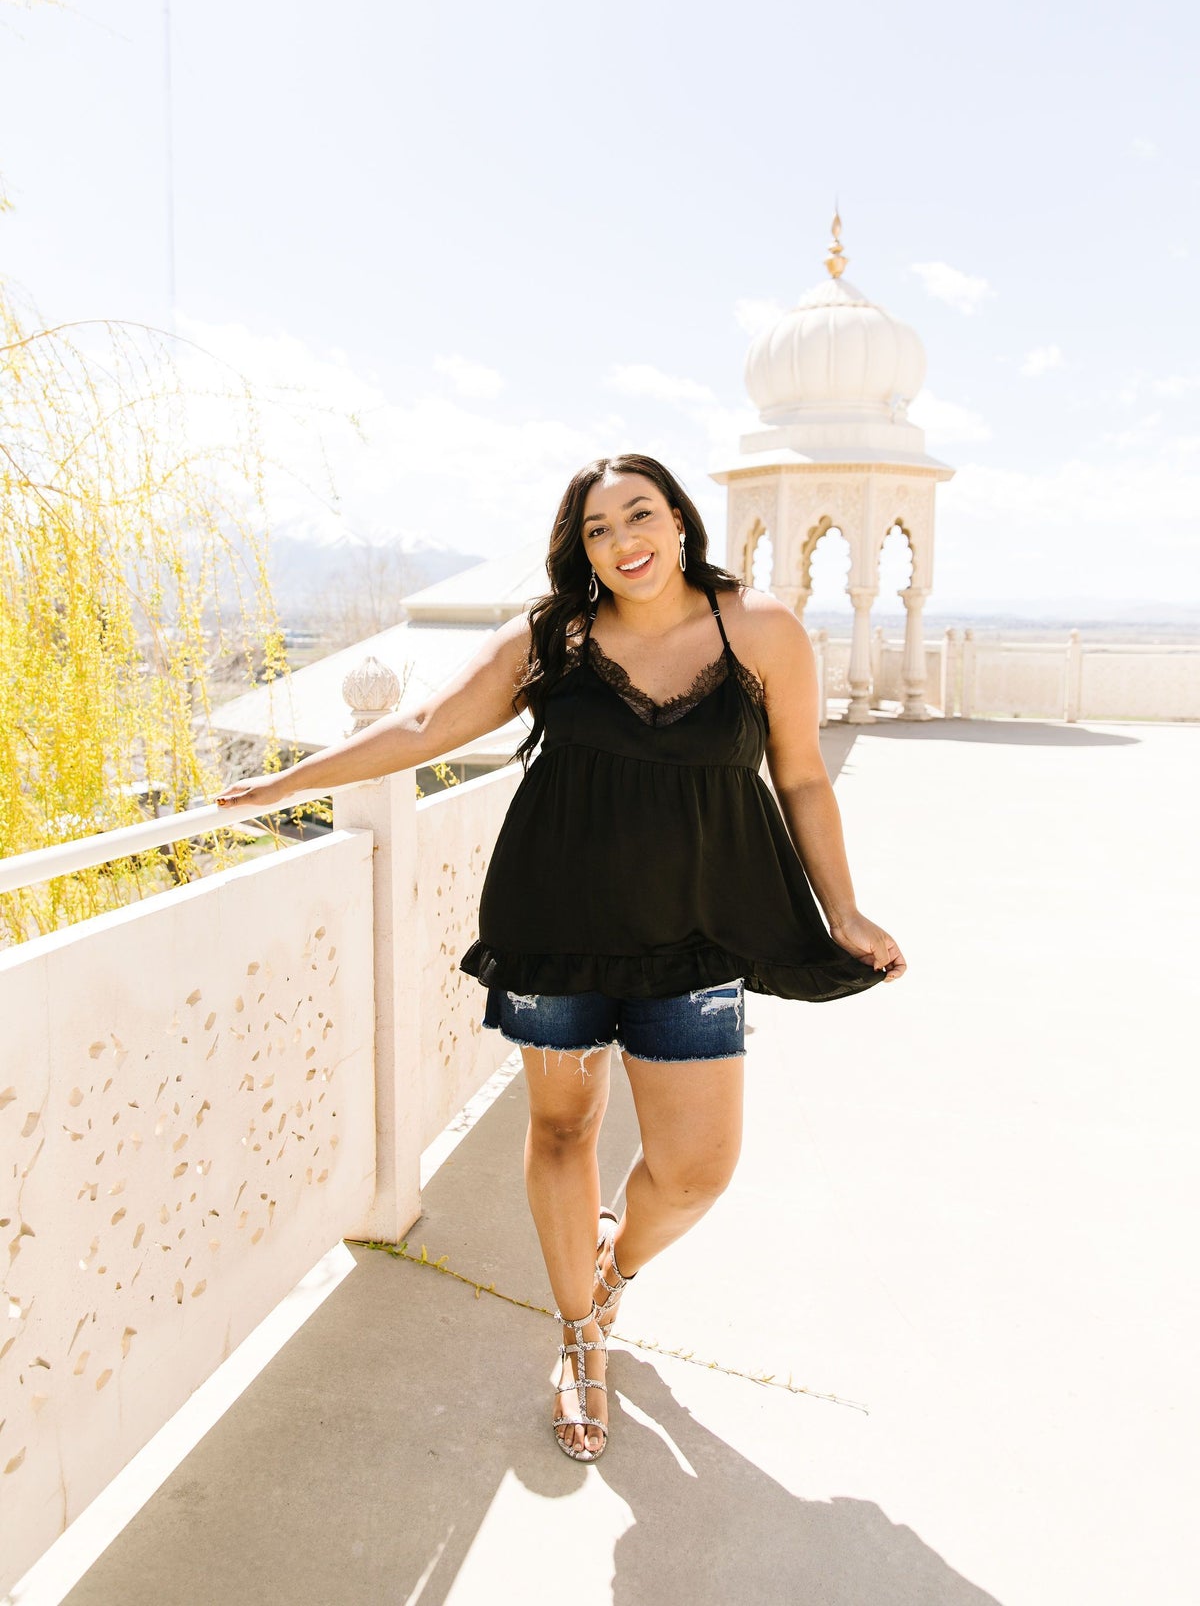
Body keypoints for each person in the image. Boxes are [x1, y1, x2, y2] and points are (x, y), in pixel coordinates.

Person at [216, 453, 905, 1463]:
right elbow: (425, 724)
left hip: (699, 931)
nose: (624, 541)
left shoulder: (759, 630)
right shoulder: (553, 636)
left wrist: (842, 909)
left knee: (697, 1169)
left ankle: (611, 1266)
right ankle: (580, 1334)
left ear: (679, 519)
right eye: (597, 529)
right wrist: (288, 785)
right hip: (553, 926)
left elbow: (801, 777)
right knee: (563, 1129)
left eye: (640, 515)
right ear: (580, 548)